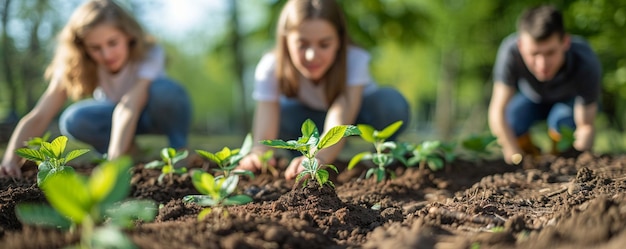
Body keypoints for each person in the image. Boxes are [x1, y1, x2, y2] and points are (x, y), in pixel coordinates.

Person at [0, 0, 191, 178]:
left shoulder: (149, 52)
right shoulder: (75, 64)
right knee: (74, 119)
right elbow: (40, 115)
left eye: (112, 43)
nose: (106, 54)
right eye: (95, 48)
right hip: (115, 117)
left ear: (128, 35)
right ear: (82, 47)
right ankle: (130, 152)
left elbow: (129, 106)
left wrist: (112, 163)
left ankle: (180, 151)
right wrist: (10, 159)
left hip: (152, 113)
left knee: (165, 92)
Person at [237, 0, 410, 180]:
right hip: (311, 122)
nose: (312, 55)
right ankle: (298, 160)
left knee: (391, 104)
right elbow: (265, 126)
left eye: (324, 44)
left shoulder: (355, 59)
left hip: (356, 117)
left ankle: (384, 155)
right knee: (285, 114)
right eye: (302, 45)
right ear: (285, 40)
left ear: (339, 41)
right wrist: (258, 154)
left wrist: (320, 156)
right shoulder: (270, 67)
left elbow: (341, 113)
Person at [488, 5, 601, 165]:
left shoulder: (584, 59)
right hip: (532, 98)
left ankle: (560, 158)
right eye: (534, 54)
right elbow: (497, 110)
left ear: (565, 42)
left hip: (569, 103)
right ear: (521, 46)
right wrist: (514, 155)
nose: (542, 64)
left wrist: (580, 160)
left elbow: (585, 126)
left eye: (550, 53)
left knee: (562, 123)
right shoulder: (510, 52)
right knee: (511, 120)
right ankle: (531, 158)